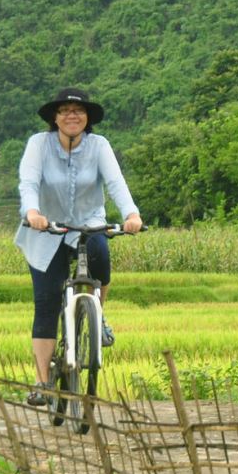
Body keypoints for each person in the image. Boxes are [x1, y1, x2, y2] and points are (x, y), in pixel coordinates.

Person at [15, 87, 143, 405]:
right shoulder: (38, 145)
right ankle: (43, 382)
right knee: (46, 303)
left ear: (87, 118)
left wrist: (131, 214)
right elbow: (28, 182)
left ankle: (97, 315)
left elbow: (116, 183)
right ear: (54, 118)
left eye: (79, 111)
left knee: (100, 255)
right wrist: (32, 212)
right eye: (65, 110)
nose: (72, 115)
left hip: (88, 224)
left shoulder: (99, 146)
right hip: (46, 229)